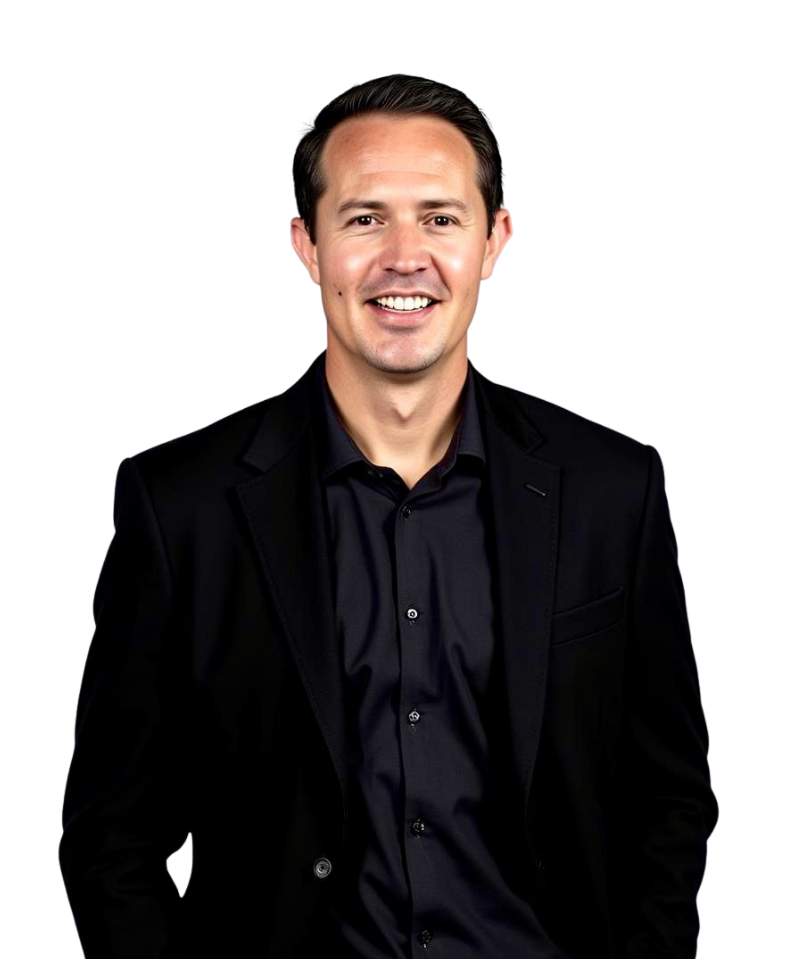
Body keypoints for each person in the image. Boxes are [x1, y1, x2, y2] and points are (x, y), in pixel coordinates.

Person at [58, 74, 719, 959]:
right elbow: (113, 835)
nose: (405, 256)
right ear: (306, 248)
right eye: (365, 218)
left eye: (440, 218)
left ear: (496, 244)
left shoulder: (614, 490)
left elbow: (670, 798)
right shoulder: (180, 503)